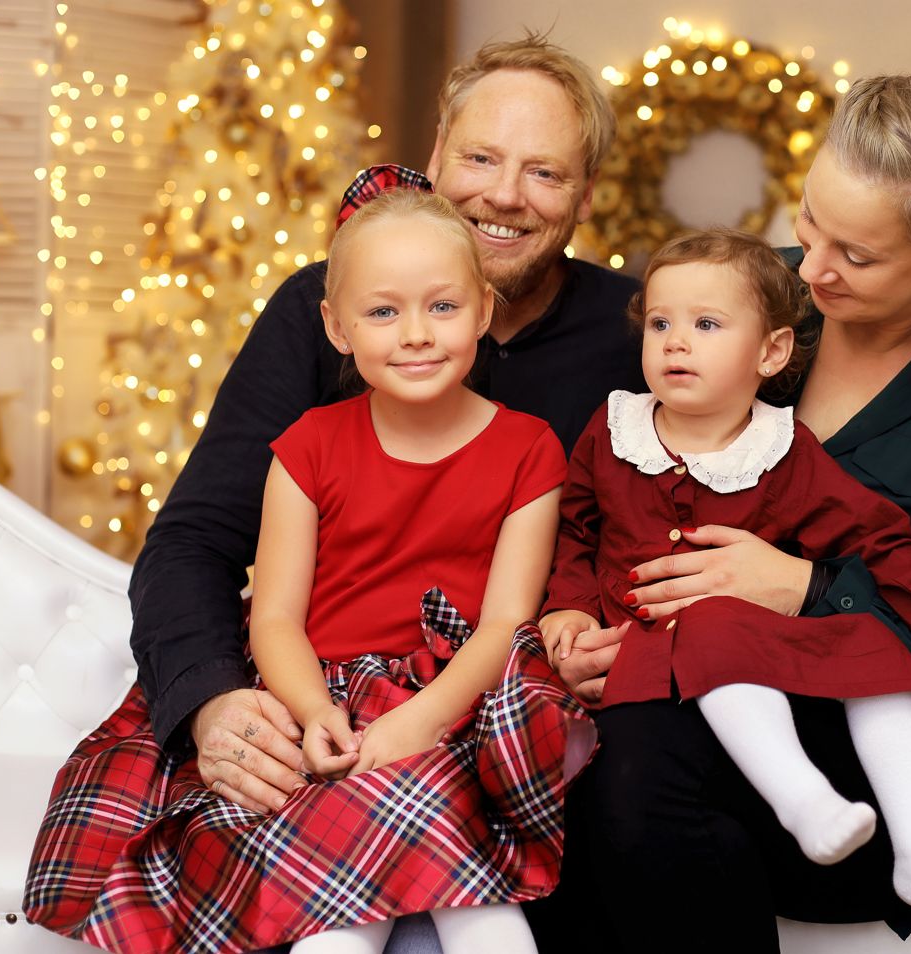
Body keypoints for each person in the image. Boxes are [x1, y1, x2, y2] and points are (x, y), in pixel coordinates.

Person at [557, 73, 911, 951]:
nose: (815, 266)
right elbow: (610, 485)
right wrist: (590, 623)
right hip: (722, 695)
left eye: (860, 255)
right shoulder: (756, 299)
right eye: (809, 221)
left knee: (636, 791)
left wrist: (810, 589)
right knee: (592, 774)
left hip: (903, 741)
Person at [26, 187, 594, 953]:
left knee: (485, 916)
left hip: (457, 704)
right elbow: (275, 617)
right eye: (384, 312)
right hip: (324, 702)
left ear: (484, 311)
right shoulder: (307, 447)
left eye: (444, 308)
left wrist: (416, 723)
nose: (417, 335)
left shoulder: (529, 451)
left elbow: (505, 625)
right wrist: (313, 710)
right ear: (336, 327)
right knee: (336, 929)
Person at [126, 34, 643, 823]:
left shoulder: (640, 334)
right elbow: (194, 538)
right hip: (325, 693)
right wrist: (213, 702)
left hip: (525, 720)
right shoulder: (317, 308)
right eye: (481, 158)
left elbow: (687, 516)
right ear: (437, 155)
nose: (505, 196)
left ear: (587, 195)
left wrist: (614, 644)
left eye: (544, 172)